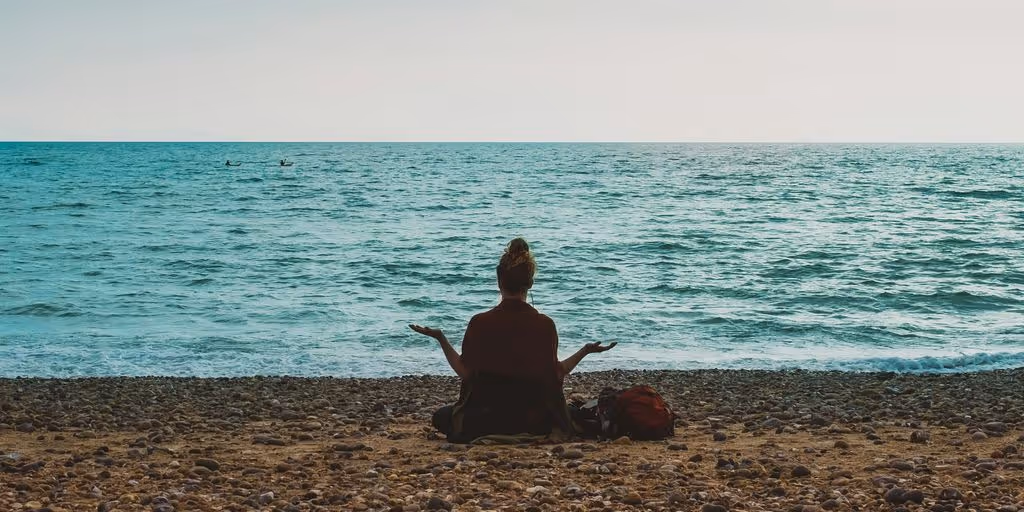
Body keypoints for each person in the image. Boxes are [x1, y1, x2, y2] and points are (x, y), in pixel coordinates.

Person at [410, 238, 616, 442]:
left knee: (442, 417)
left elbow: (466, 374)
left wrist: (441, 338)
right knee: (571, 412)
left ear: (499, 281)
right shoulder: (545, 325)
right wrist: (584, 351)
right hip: (532, 420)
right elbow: (556, 375)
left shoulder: (479, 323)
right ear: (531, 283)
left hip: (484, 419)